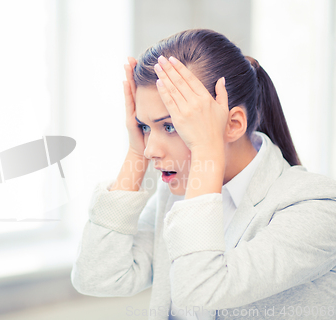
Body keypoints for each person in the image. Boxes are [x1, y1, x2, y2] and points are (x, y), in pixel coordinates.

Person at [70, 29, 336, 320]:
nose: (150, 151)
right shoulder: (177, 197)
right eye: (145, 127)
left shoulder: (317, 207)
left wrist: (208, 151)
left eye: (170, 126)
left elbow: (199, 291)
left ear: (233, 124)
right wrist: (134, 153)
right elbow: (97, 276)